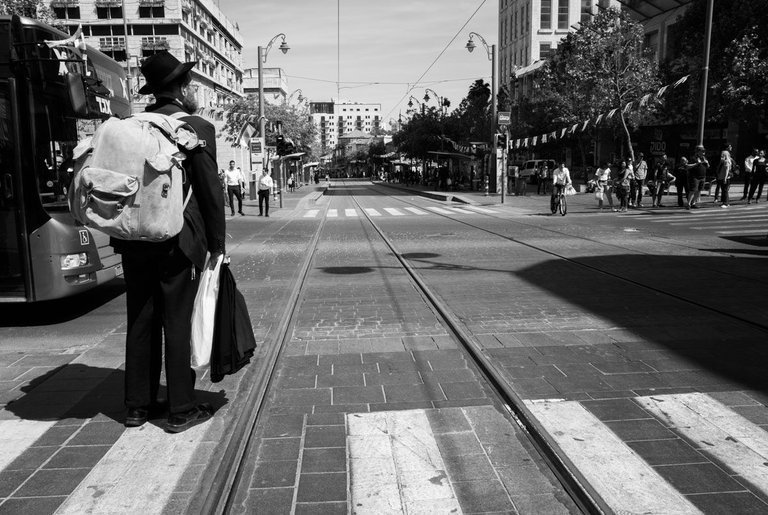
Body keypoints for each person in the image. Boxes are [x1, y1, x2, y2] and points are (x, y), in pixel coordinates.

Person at [114, 51, 225, 433]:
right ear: (181, 88)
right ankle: (181, 408)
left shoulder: (132, 124)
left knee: (141, 319)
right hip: (177, 240)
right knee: (177, 320)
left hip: (133, 238)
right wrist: (217, 243)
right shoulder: (194, 126)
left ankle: (137, 407)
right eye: (189, 83)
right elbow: (210, 189)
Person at [687, 145, 709, 209]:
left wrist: (707, 163)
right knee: (693, 190)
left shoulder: (704, 158)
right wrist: (697, 163)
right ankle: (688, 204)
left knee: (699, 190)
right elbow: (688, 166)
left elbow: (708, 167)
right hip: (695, 176)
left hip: (702, 176)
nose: (703, 153)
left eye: (704, 151)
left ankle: (693, 203)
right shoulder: (693, 158)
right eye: (702, 151)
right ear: (698, 152)